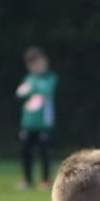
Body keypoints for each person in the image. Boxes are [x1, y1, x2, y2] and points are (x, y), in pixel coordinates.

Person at [15, 46, 58, 191]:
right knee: (26, 152)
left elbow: (46, 91)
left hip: (43, 123)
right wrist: (32, 87)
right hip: (28, 123)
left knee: (45, 153)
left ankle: (46, 180)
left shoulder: (50, 78)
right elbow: (20, 94)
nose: (36, 66)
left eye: (38, 63)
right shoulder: (29, 78)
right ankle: (27, 180)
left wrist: (32, 87)